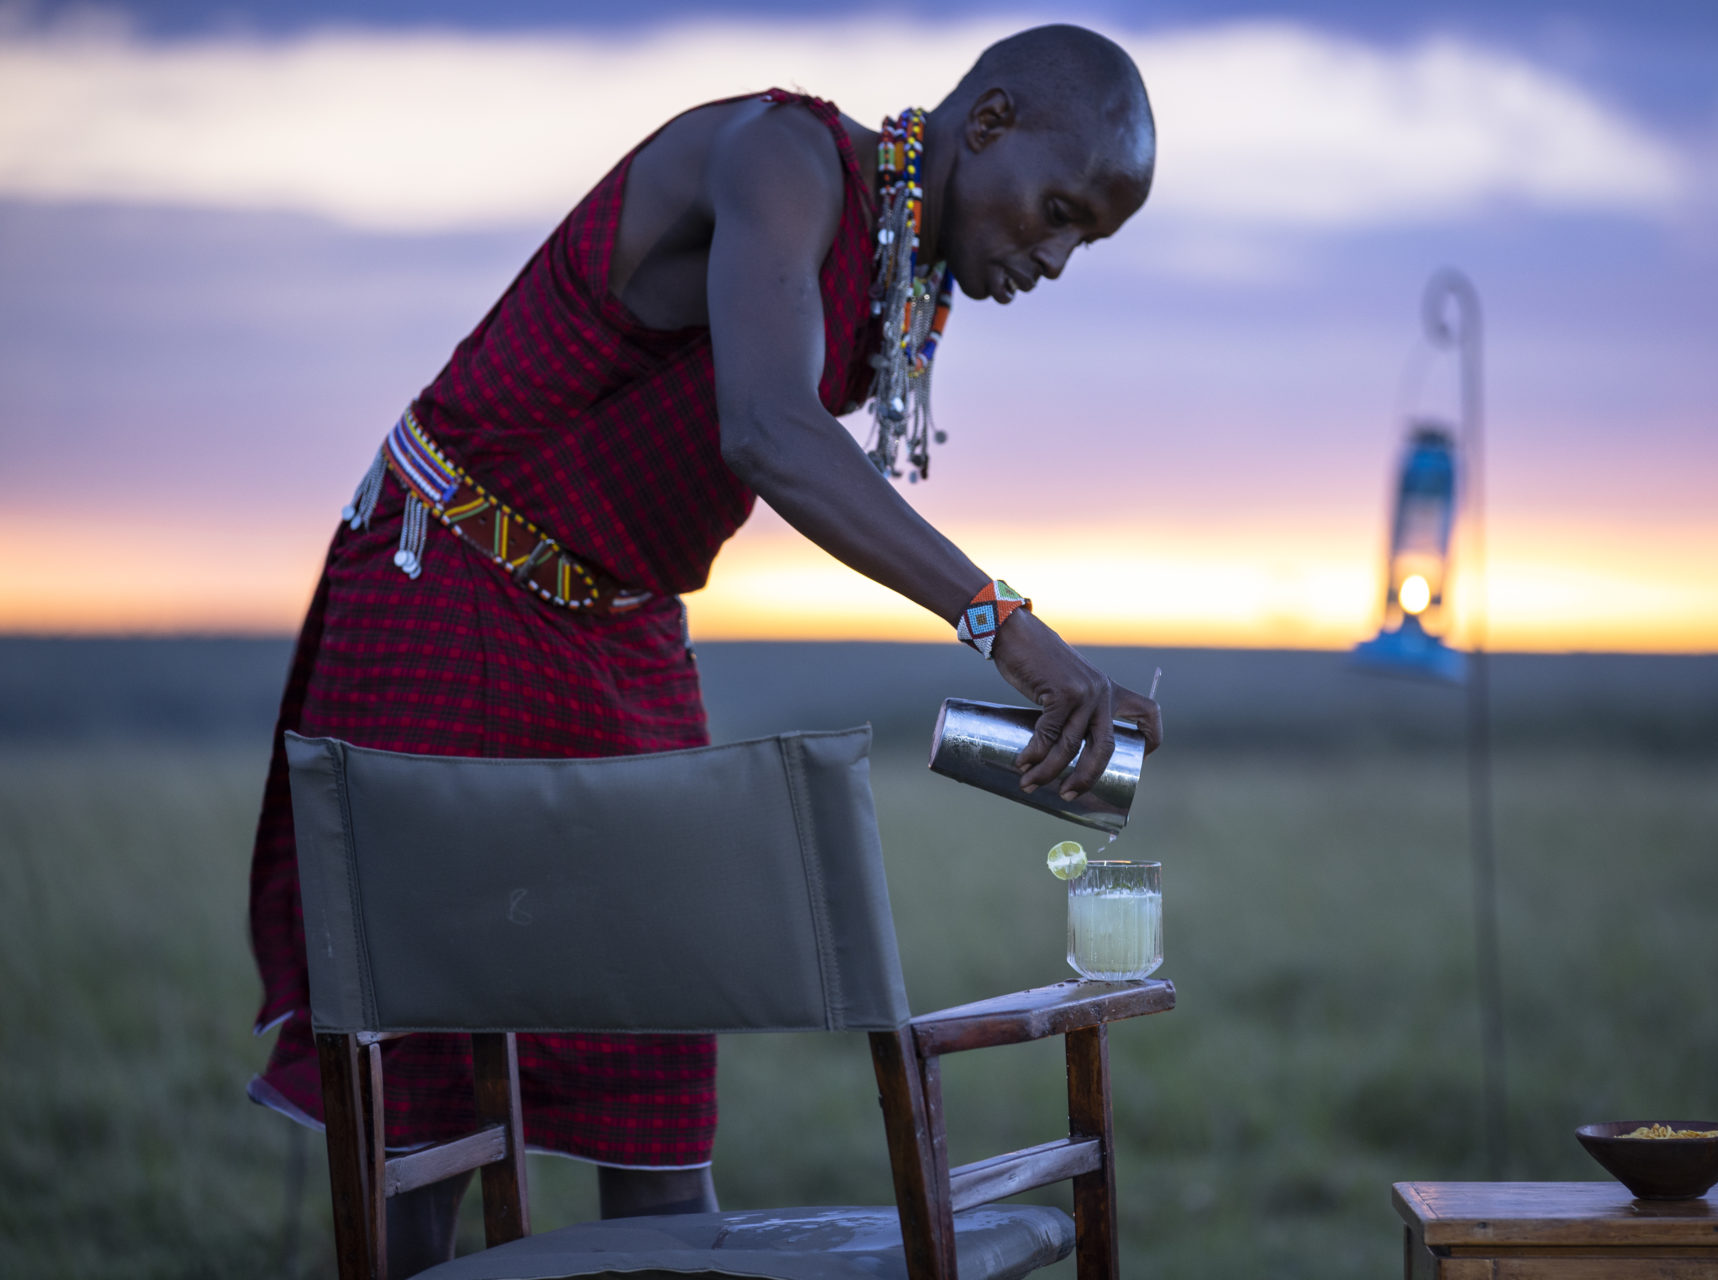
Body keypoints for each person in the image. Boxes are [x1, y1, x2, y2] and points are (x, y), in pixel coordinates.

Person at [245, 22, 1164, 1274]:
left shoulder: (900, 270)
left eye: (1084, 241)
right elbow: (769, 429)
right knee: (430, 1082)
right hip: (455, 576)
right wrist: (1014, 632)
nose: (1053, 258)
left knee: (659, 1051)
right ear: (989, 122)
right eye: (1057, 211)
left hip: (623, 630)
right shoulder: (783, 155)